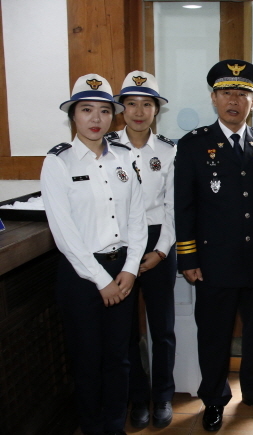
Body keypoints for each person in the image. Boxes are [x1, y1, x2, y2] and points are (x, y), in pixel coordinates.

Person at [174, 59, 253, 431]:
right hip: (212, 260)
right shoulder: (194, 145)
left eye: (242, 94)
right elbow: (184, 206)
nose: (233, 101)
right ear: (213, 98)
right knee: (214, 332)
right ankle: (214, 398)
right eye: (225, 93)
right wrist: (188, 256)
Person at [41, 74, 147, 435]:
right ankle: (92, 427)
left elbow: (137, 218)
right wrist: (102, 280)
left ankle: (115, 426)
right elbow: (64, 233)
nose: (96, 118)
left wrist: (130, 269)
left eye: (103, 111)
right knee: (87, 359)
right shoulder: (59, 162)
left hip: (122, 271)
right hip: (82, 275)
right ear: (73, 115)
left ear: (112, 116)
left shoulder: (124, 157)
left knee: (119, 358)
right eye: (86, 110)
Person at [104, 71, 176, 429]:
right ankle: (137, 398)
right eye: (131, 104)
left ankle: (162, 396)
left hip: (159, 240)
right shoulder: (105, 146)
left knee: (162, 328)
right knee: (126, 330)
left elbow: (174, 207)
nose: (138, 111)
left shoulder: (168, 150)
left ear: (156, 110)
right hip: (120, 244)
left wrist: (160, 251)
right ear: (121, 108)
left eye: (146, 104)